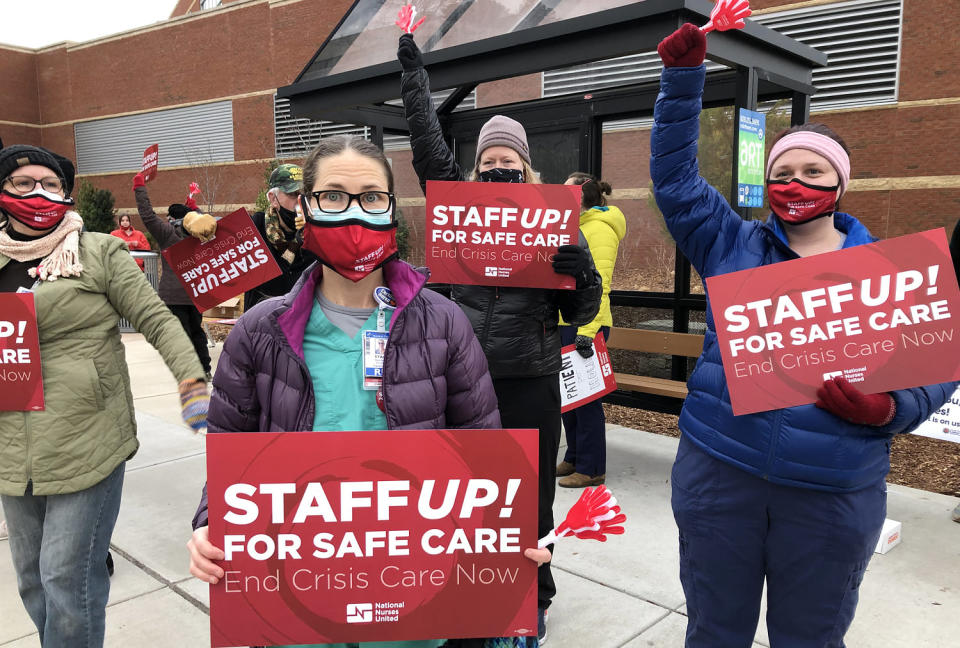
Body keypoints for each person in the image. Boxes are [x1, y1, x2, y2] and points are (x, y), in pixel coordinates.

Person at [652, 25, 957, 647]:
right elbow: (677, 181)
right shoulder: (729, 241)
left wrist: (893, 406)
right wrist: (682, 84)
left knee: (811, 637)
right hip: (720, 474)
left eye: (813, 170)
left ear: (839, 184)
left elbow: (937, 362)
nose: (795, 182)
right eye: (782, 170)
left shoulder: (891, 271)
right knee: (713, 630)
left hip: (831, 493)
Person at [186, 135, 549, 648]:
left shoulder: (445, 323)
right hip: (296, 593)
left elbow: (483, 448)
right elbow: (227, 451)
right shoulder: (258, 331)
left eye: (371, 196)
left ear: (392, 209)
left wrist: (508, 535)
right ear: (304, 207)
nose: (353, 213)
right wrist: (208, 525)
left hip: (416, 591)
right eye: (333, 195)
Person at [398, 34, 602, 640]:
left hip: (529, 381)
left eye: (508, 158)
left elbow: (582, 309)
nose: (498, 166)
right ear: (476, 165)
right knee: (461, 500)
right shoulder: (457, 209)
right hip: (460, 381)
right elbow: (427, 148)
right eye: (489, 159)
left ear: (525, 163)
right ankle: (466, 587)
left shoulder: (555, 219)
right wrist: (415, 77)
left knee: (532, 500)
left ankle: (532, 597)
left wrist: (579, 272)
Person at [0, 144, 209, 647]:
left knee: (65, 578)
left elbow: (156, 319)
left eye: (50, 184)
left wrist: (190, 380)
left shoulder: (97, 251)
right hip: (12, 444)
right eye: (23, 183)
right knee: (31, 578)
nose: (38, 193)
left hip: (87, 437)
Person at [556, 173, 625, 488]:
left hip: (587, 324)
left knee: (585, 398)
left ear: (580, 198)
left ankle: (592, 466)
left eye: (566, 191)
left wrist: (588, 328)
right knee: (569, 397)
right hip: (565, 322)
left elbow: (602, 282)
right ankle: (574, 457)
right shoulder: (576, 227)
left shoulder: (599, 229)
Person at [133, 174, 217, 381]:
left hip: (173, 295)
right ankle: (205, 369)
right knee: (197, 332)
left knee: (182, 335)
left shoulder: (167, 233)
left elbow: (147, 215)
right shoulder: (201, 233)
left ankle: (190, 374)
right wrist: (192, 207)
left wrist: (139, 188)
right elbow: (199, 219)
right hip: (197, 293)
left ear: (171, 218)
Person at [244, 163, 317, 310]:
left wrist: (313, 235)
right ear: (273, 199)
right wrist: (188, 225)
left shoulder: (318, 231)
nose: (301, 201)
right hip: (261, 320)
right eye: (293, 194)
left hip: (304, 319)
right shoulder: (254, 227)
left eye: (306, 195)